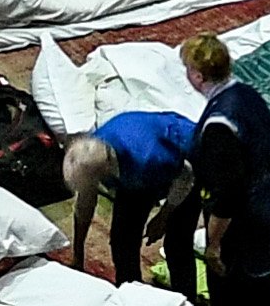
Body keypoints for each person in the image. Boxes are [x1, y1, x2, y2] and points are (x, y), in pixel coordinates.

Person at [168, 25, 270, 306]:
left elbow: (228, 194)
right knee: (260, 284)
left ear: (198, 76)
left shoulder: (219, 125)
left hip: (246, 221)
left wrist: (213, 244)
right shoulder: (247, 94)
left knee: (234, 293)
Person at [54, 103, 194, 280]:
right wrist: (78, 256)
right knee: (122, 244)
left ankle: (185, 299)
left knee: (177, 244)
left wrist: (163, 216)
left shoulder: (148, 159)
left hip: (189, 160)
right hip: (135, 172)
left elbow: (186, 177)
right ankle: (129, 289)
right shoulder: (91, 149)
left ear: (103, 172)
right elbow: (85, 205)